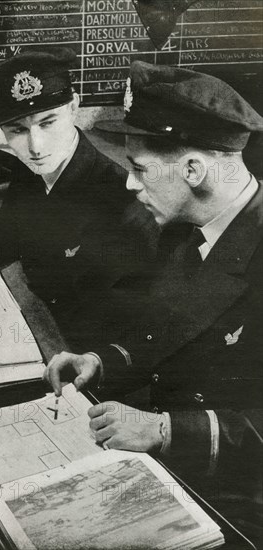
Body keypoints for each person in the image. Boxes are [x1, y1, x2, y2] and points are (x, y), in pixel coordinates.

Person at [44, 61, 263, 544]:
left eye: (139, 169)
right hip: (188, 468)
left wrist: (163, 430)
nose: (129, 184)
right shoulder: (193, 228)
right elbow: (175, 333)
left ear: (193, 170)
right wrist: (103, 362)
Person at [0, 47, 155, 326]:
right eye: (18, 130)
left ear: (74, 107)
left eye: (47, 123)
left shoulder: (121, 201)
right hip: (32, 314)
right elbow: (13, 224)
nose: (35, 147)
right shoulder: (33, 169)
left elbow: (117, 317)